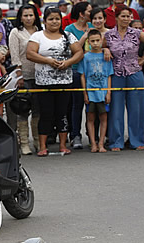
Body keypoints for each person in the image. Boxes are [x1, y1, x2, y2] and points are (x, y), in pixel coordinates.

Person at [26, 7, 84, 156]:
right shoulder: (37, 36)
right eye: (51, 19)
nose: (54, 21)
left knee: (62, 113)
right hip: (44, 83)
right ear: (44, 21)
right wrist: (47, 61)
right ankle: (42, 146)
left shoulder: (68, 36)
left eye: (57, 19)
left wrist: (68, 62)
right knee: (46, 113)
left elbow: (79, 52)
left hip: (65, 82)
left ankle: (63, 145)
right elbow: (30, 54)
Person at [105, 4, 144, 151]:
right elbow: (95, 47)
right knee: (116, 109)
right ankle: (116, 141)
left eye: (128, 16)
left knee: (137, 109)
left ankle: (136, 140)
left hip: (135, 72)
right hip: (116, 73)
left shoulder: (136, 33)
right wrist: (105, 49)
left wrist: (143, 59)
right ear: (116, 18)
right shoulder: (109, 35)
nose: (126, 19)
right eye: (123, 16)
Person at [9, 4, 43, 155]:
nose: (28, 18)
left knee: (38, 111)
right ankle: (24, 143)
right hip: (23, 77)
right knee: (22, 111)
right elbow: (15, 57)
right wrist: (19, 75)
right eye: (25, 15)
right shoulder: (16, 32)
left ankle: (37, 141)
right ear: (20, 17)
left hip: (41, 77)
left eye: (31, 15)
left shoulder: (41, 32)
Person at [78, 29, 114, 153]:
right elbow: (82, 75)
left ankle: (101, 143)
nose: (95, 43)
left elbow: (109, 75)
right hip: (91, 92)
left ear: (101, 40)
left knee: (104, 118)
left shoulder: (106, 56)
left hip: (103, 92)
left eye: (97, 40)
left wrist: (108, 92)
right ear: (88, 42)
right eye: (92, 41)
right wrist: (85, 93)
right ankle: (93, 143)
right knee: (90, 118)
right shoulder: (85, 57)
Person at [65, 1, 94, 150]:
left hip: (93, 71)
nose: (92, 13)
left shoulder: (93, 27)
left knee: (93, 105)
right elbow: (69, 50)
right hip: (75, 70)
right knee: (76, 105)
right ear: (82, 14)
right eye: (89, 11)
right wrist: (84, 37)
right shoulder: (69, 29)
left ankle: (93, 136)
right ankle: (75, 135)